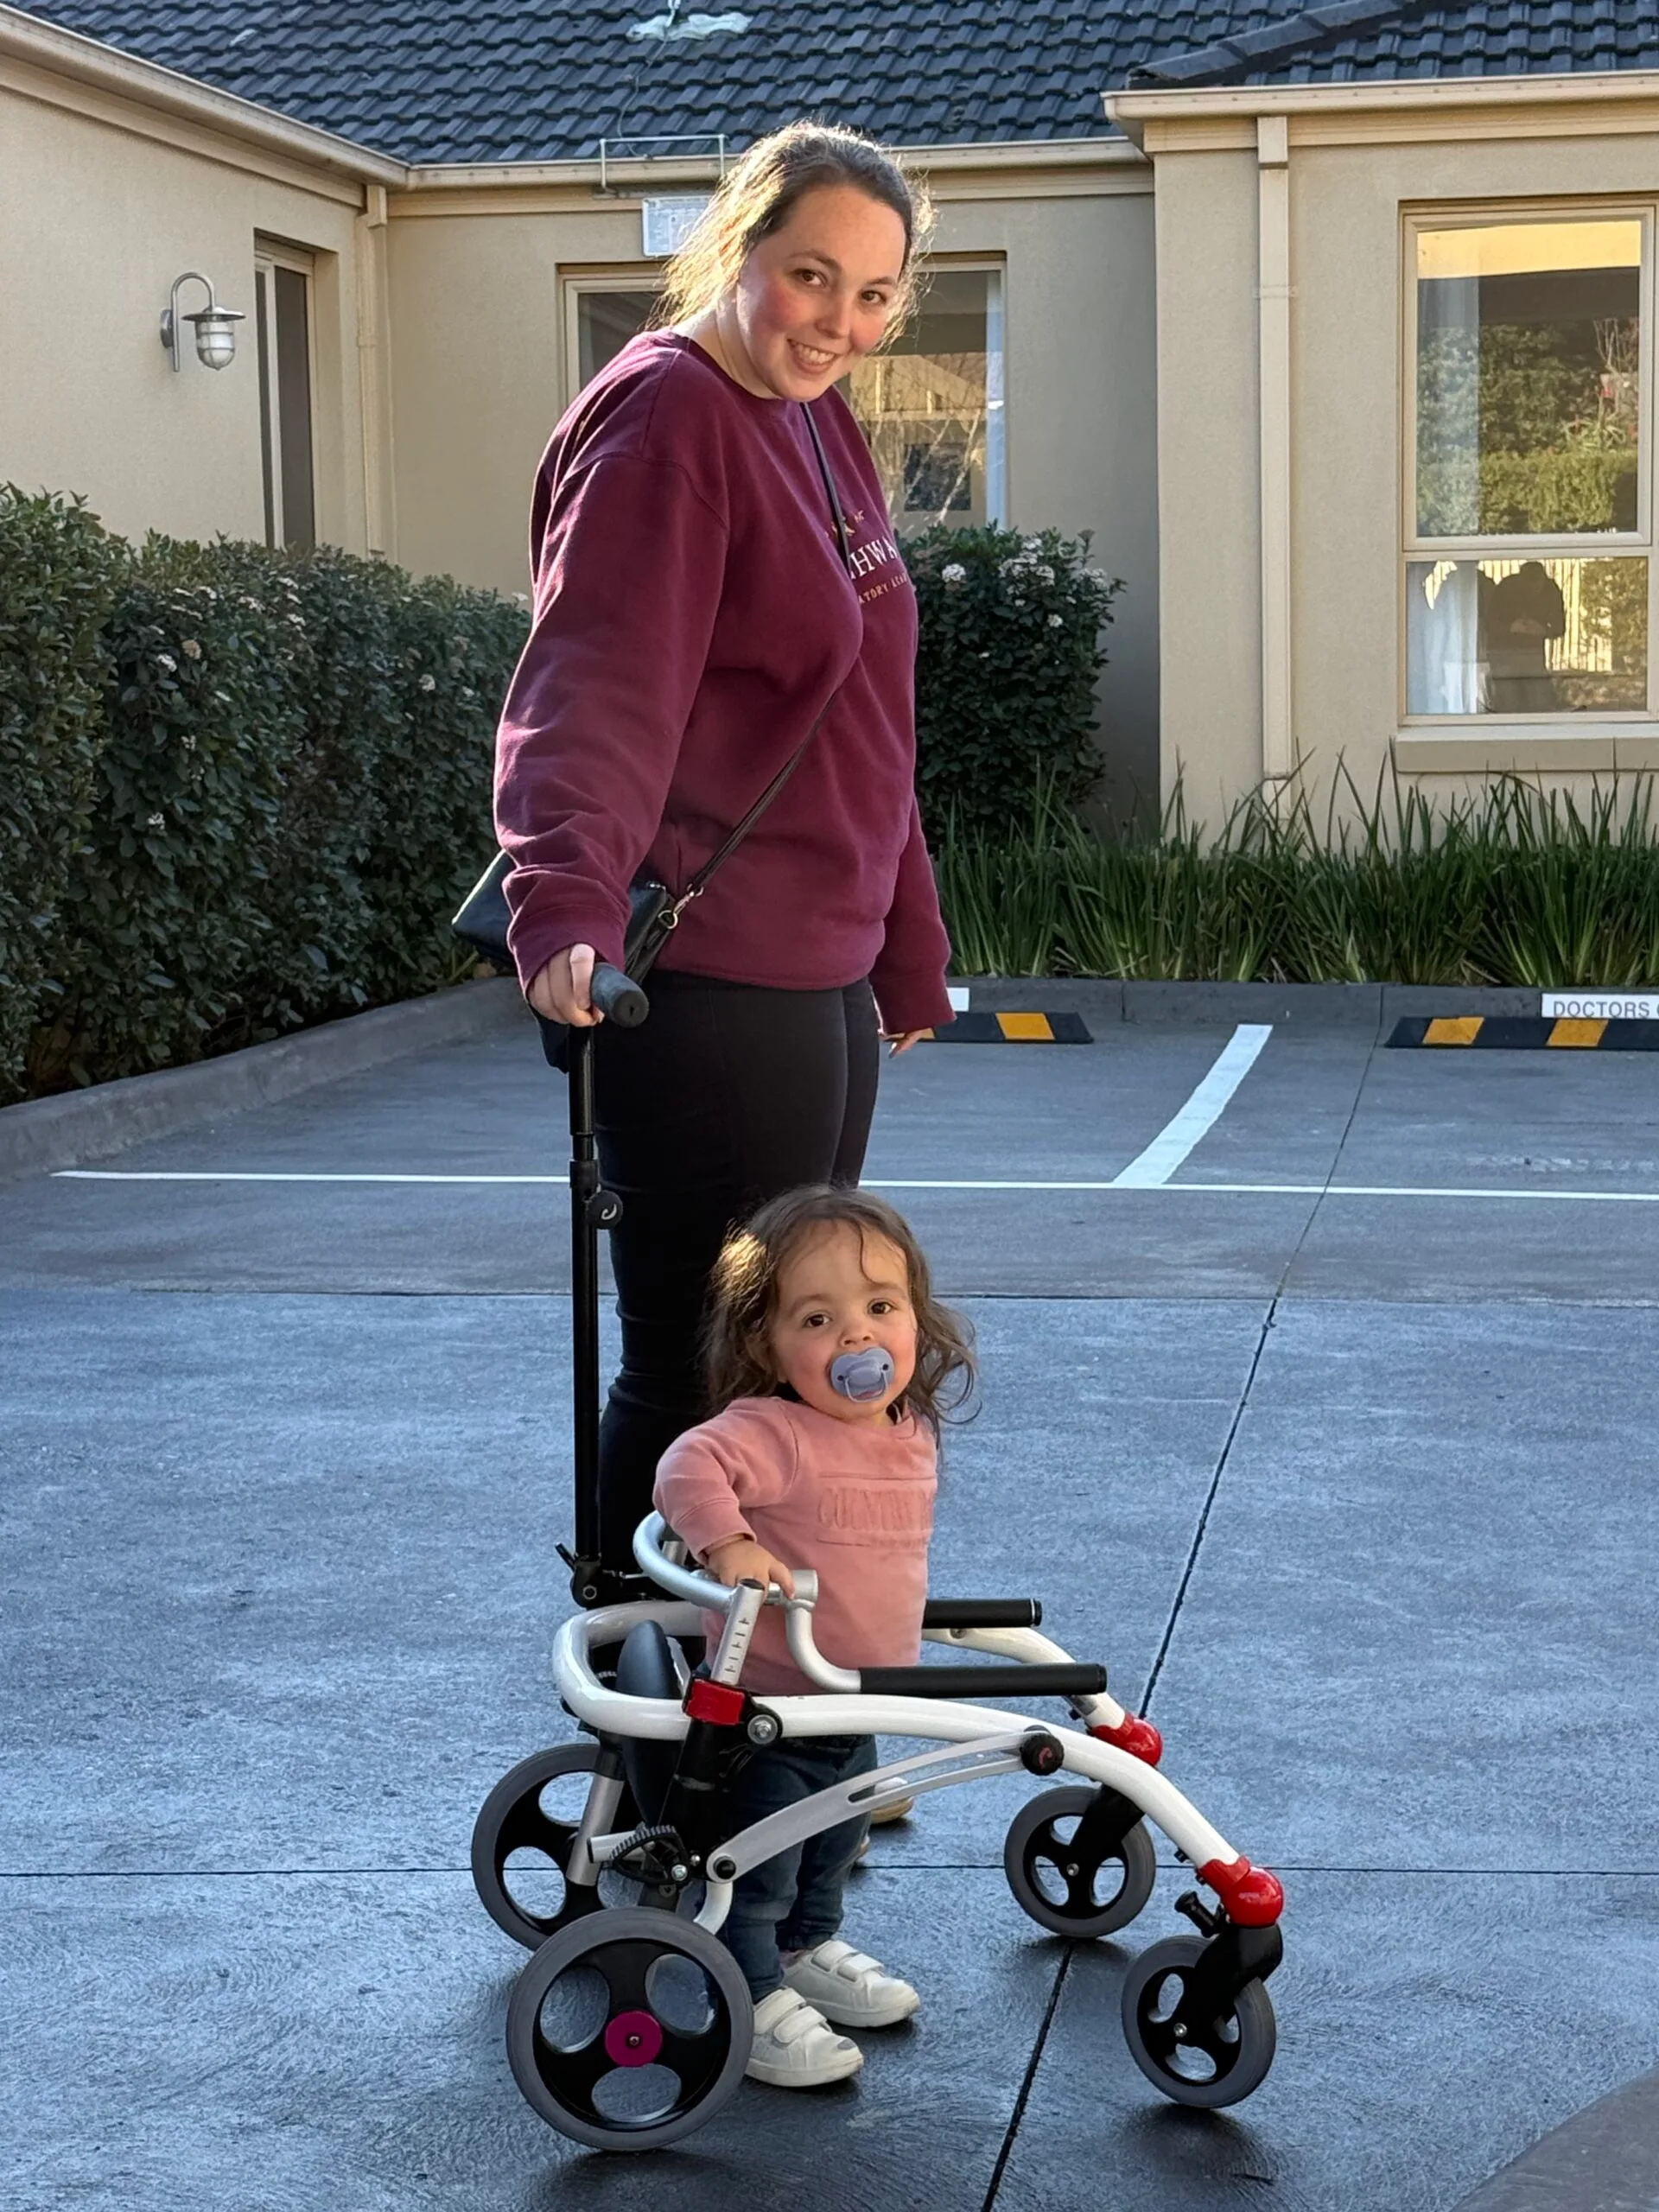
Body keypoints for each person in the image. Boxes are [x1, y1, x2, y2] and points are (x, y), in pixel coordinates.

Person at [493, 123, 955, 1575]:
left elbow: (865, 703)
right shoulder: (667, 422)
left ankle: (764, 1704)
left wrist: (906, 938)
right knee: (699, 1371)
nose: (844, 322)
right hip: (706, 986)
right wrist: (562, 890)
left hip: (813, 972)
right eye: (813, 277)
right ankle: (645, 1742)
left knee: (789, 1372)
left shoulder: (813, 418)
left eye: (876, 296)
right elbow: (597, 680)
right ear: (739, 244)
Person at [653, 1186, 975, 2088]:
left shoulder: (903, 1427)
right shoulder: (773, 1429)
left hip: (856, 1692)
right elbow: (687, 1463)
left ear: (918, 1313)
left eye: (882, 1307)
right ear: (765, 1342)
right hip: (772, 1704)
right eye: (818, 1317)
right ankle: (748, 1993)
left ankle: (804, 1951)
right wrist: (730, 1540)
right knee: (762, 1862)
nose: (858, 1339)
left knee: (832, 1853)